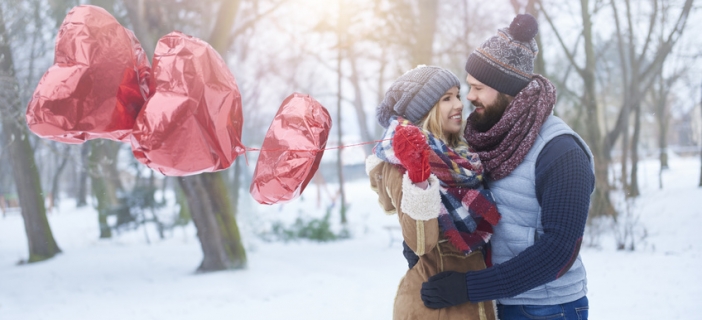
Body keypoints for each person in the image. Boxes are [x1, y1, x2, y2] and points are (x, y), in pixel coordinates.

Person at [419, 14, 595, 320]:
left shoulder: (561, 151)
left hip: (547, 308)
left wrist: (469, 287)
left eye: (478, 88)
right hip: (493, 303)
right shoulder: (484, 138)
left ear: (507, 88)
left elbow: (559, 251)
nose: (469, 97)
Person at [366, 65, 501, 320]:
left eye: (458, 95)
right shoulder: (401, 164)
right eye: (446, 99)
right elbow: (420, 243)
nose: (459, 104)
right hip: (435, 309)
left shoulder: (464, 156)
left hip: (473, 305)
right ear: (425, 111)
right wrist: (418, 178)